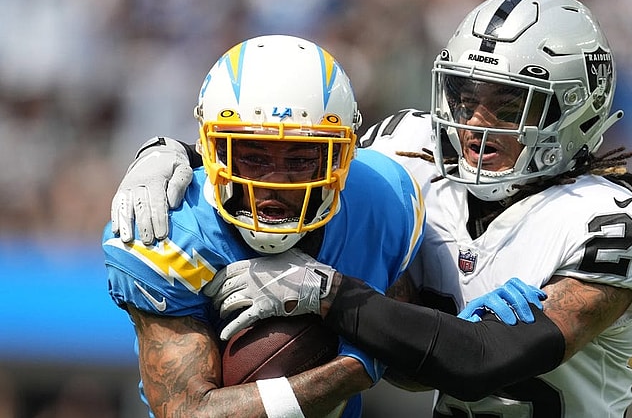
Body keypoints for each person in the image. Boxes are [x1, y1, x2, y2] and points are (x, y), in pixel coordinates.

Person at [111, 0, 632, 417]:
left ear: (576, 110)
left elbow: (486, 360)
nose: (474, 127)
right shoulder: (408, 150)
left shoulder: (612, 225)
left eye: (510, 107)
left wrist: (330, 295)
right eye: (464, 97)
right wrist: (173, 151)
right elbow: (299, 152)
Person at [103, 34, 437, 418]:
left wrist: (361, 315)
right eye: (254, 156)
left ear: (342, 157)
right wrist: (353, 368)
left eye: (300, 159)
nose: (274, 181)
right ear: (214, 150)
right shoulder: (171, 228)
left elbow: (415, 372)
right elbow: (188, 412)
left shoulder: (378, 202)